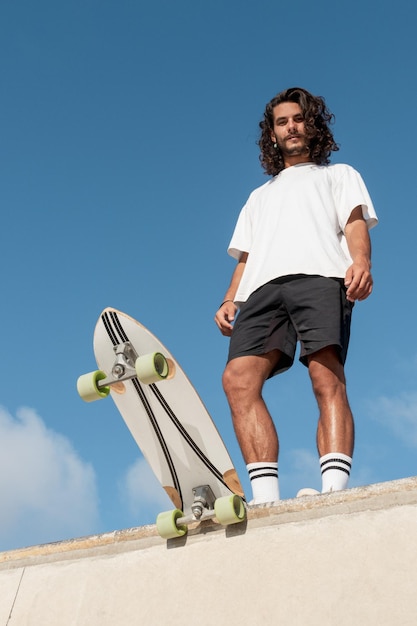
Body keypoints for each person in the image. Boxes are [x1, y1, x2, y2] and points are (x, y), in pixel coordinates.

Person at [214, 87, 378, 504]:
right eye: (282, 122)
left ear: (312, 126)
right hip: (260, 291)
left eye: (298, 119)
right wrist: (229, 298)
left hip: (321, 276)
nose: (291, 127)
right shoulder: (258, 197)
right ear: (272, 134)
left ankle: (332, 493)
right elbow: (246, 257)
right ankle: (266, 498)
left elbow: (355, 225)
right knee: (237, 381)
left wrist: (361, 263)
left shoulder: (338, 175)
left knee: (325, 376)